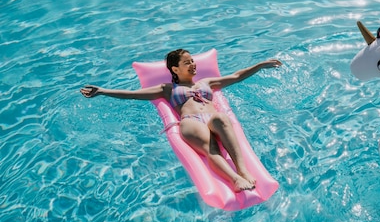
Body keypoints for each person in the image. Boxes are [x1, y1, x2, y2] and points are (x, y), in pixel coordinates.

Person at [81, 49, 282, 192]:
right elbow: (133, 94)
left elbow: (237, 76)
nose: (193, 64)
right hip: (191, 121)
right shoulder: (167, 89)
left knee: (222, 118)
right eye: (187, 62)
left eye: (193, 61)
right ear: (175, 69)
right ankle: (235, 179)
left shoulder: (207, 82)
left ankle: (243, 170)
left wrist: (261, 65)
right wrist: (103, 91)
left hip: (212, 118)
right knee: (210, 147)